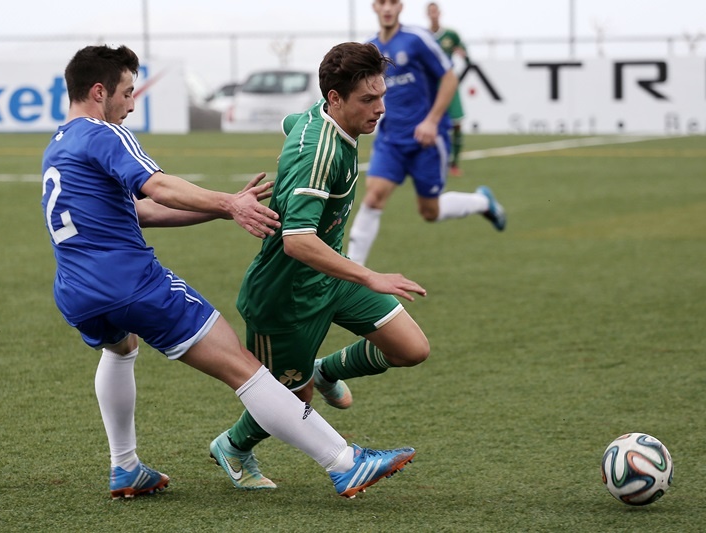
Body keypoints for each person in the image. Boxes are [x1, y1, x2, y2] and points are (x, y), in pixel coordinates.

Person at [41, 43, 415, 500]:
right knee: (247, 370)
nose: (132, 103)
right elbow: (156, 187)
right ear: (99, 92)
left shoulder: (58, 146)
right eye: (127, 92)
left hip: (75, 290)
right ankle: (345, 462)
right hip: (132, 283)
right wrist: (227, 202)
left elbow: (142, 212)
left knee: (121, 350)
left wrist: (225, 210)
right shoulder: (105, 134)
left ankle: (125, 467)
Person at [209, 41, 427, 494]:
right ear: (335, 99)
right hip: (284, 298)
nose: (380, 108)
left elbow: (295, 124)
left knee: (411, 348)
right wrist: (370, 274)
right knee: (290, 400)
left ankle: (324, 370)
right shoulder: (319, 154)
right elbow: (297, 242)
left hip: (330, 275)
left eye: (381, 95)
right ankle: (232, 446)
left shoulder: (316, 118)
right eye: (368, 100)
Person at [347, 0, 506, 267]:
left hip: (426, 139)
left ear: (401, 7)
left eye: (393, 3)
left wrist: (431, 121)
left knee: (429, 211)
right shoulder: (370, 47)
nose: (387, 8)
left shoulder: (417, 39)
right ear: (374, 7)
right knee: (373, 197)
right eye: (382, 3)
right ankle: (351, 272)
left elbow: (449, 78)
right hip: (390, 139)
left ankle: (483, 202)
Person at [427, 1, 468, 176]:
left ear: (439, 13)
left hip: (449, 84)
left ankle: (454, 163)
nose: (433, 14)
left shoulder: (451, 35)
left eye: (435, 11)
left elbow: (463, 51)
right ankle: (433, 162)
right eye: (430, 12)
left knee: (457, 123)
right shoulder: (424, 35)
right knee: (431, 123)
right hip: (431, 86)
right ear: (428, 14)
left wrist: (462, 52)